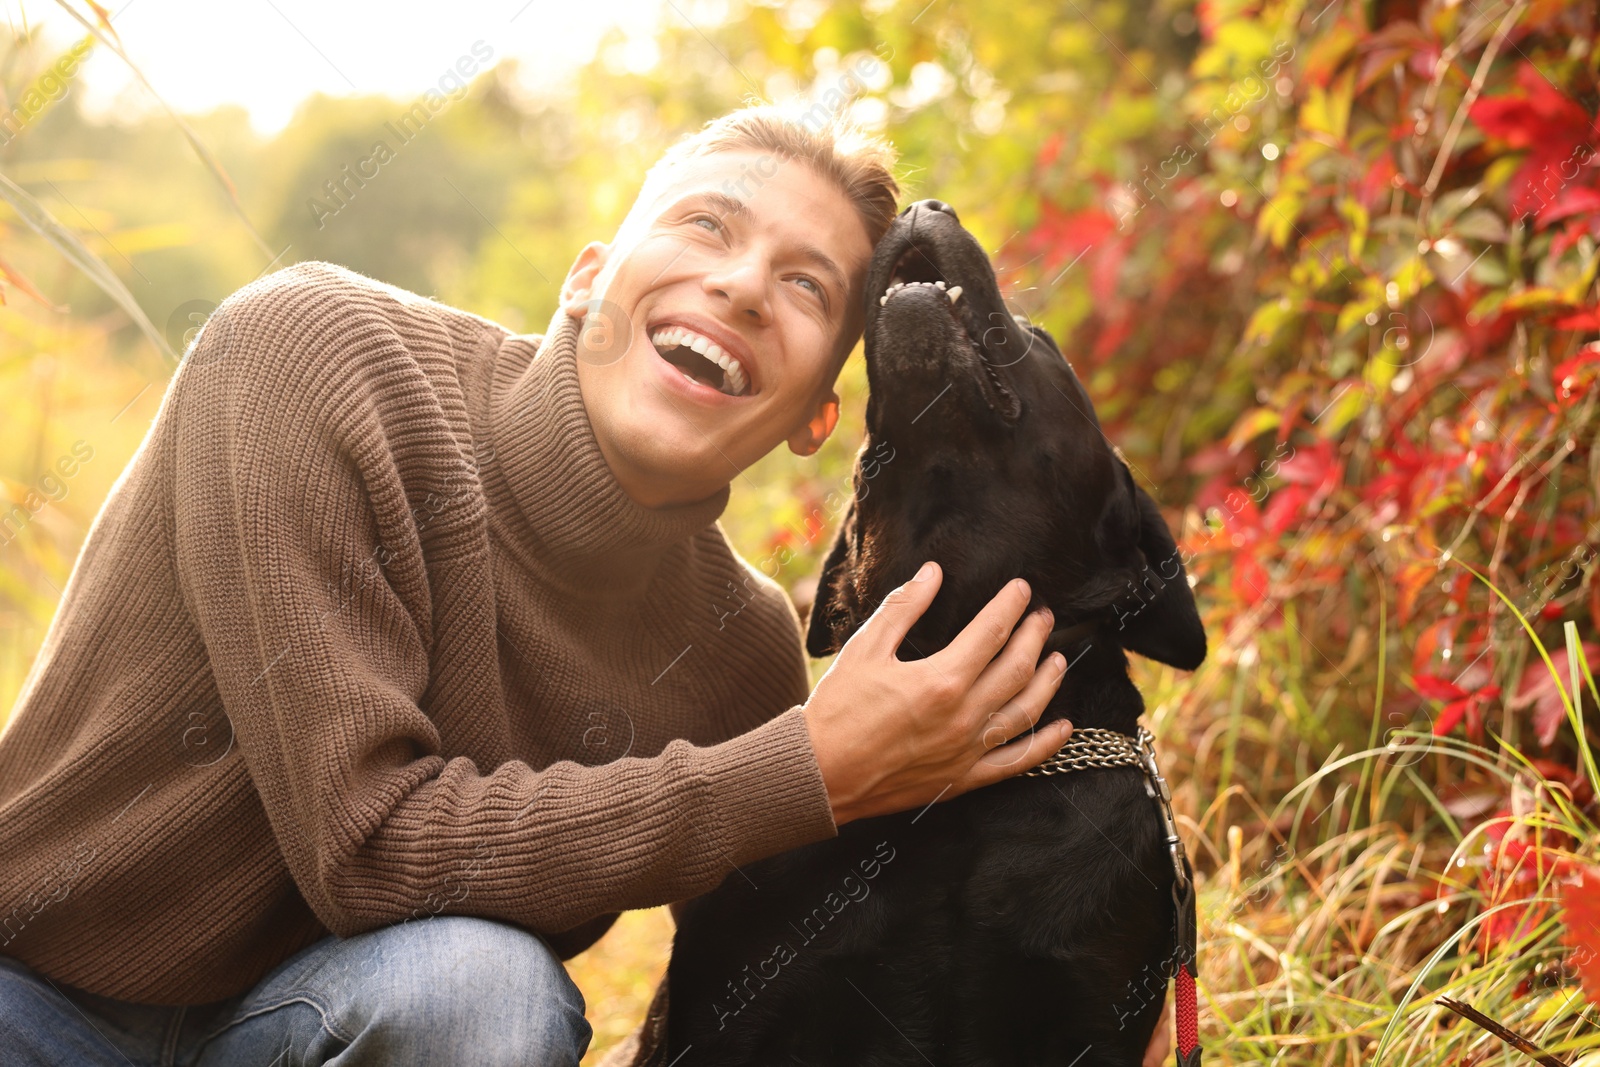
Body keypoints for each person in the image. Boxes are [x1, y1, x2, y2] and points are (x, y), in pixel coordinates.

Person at [0, 105, 1166, 1066]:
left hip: (306, 1024)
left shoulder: (742, 652)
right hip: (34, 996)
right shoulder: (311, 357)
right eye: (707, 226)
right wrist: (802, 768)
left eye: (807, 288)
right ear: (587, 274)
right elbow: (363, 847)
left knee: (486, 996)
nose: (744, 285)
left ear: (820, 412)